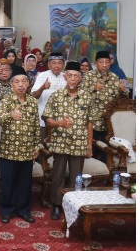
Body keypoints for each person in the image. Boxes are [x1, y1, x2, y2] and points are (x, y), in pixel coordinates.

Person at [42, 61, 94, 221]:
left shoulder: (86, 96)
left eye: (76, 76)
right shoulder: (56, 96)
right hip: (60, 142)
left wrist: (89, 145)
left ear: (80, 78)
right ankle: (57, 205)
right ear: (65, 77)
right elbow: (47, 119)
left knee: (75, 177)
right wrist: (60, 124)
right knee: (57, 175)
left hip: (79, 144)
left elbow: (90, 122)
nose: (72, 79)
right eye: (69, 75)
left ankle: (73, 205)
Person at [0, 66, 40, 224]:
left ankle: (24, 210)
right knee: (8, 183)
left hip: (27, 150)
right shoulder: (6, 100)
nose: (21, 85)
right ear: (12, 84)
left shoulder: (33, 102)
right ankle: (6, 211)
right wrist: (11, 115)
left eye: (23, 81)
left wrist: (36, 147)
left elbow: (36, 126)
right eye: (17, 82)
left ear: (28, 83)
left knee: (25, 183)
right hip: (9, 150)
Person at [80, 51, 128, 162]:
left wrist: (123, 91)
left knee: (107, 155)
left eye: (107, 62)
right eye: (101, 62)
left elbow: (122, 101)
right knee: (89, 156)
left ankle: (106, 176)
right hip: (92, 123)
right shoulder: (89, 76)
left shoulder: (114, 77)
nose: (104, 65)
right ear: (96, 63)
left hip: (109, 125)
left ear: (110, 63)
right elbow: (80, 96)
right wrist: (93, 89)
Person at [31, 52, 67, 141]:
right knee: (42, 148)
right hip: (42, 119)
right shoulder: (42, 76)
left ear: (63, 65)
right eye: (54, 63)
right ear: (48, 64)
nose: (57, 66)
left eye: (59, 63)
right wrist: (43, 87)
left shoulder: (66, 77)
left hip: (62, 120)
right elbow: (33, 96)